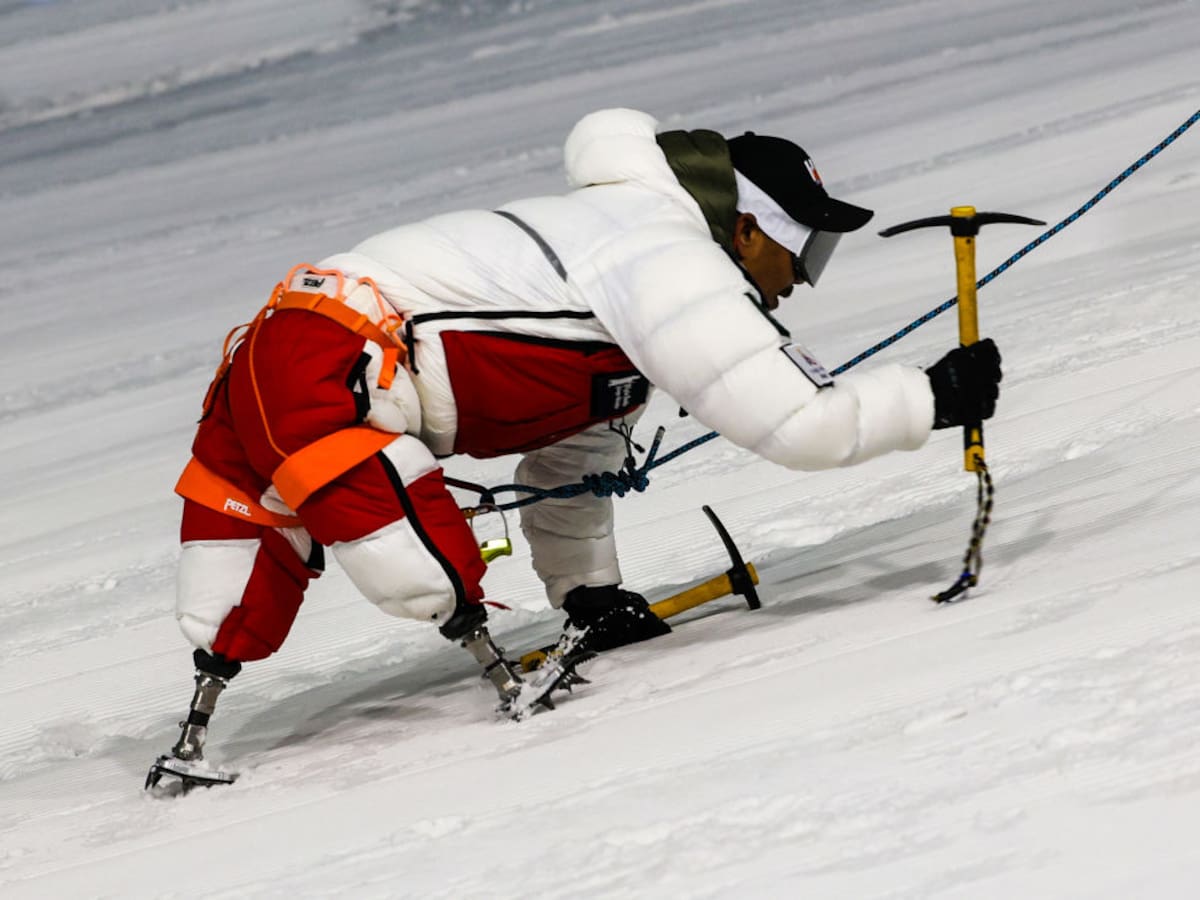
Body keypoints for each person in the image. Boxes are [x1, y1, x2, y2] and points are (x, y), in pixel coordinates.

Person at [153, 107, 1001, 781]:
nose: (804, 275)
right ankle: (500, 683)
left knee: (232, 593)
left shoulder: (621, 251)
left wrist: (588, 595)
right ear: (746, 228)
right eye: (803, 246)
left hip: (281, 354)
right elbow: (802, 426)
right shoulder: (663, 257)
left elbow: (579, 443)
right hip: (331, 373)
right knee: (425, 571)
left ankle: (200, 713)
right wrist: (933, 397)